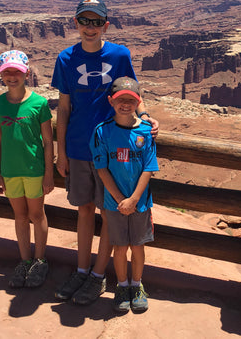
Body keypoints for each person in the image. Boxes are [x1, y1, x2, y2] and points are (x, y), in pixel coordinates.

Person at [51, 0, 158, 305]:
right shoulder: (65, 59)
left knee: (109, 213)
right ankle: (82, 270)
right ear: (76, 24)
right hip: (78, 147)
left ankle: (98, 275)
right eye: (85, 21)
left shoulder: (119, 54)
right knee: (84, 210)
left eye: (96, 22)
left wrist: (146, 117)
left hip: (114, 149)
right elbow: (64, 106)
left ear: (105, 25)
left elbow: (134, 93)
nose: (90, 27)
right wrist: (61, 151)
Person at [90, 77, 158, 313]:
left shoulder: (145, 132)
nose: (126, 104)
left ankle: (137, 286)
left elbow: (149, 167)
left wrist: (134, 200)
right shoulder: (102, 132)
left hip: (140, 204)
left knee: (137, 247)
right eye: (121, 100)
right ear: (111, 101)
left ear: (138, 102)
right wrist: (121, 200)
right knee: (119, 247)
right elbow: (101, 169)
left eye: (132, 100)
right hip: (114, 204)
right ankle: (122, 286)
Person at [0, 50, 54, 288]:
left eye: (16, 71)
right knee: (19, 216)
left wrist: (49, 173)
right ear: (1, 75)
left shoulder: (39, 103)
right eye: (7, 71)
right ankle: (25, 261)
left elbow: (48, 141)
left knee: (37, 215)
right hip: (9, 171)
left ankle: (40, 260)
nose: (12, 76)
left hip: (34, 170)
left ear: (26, 72)